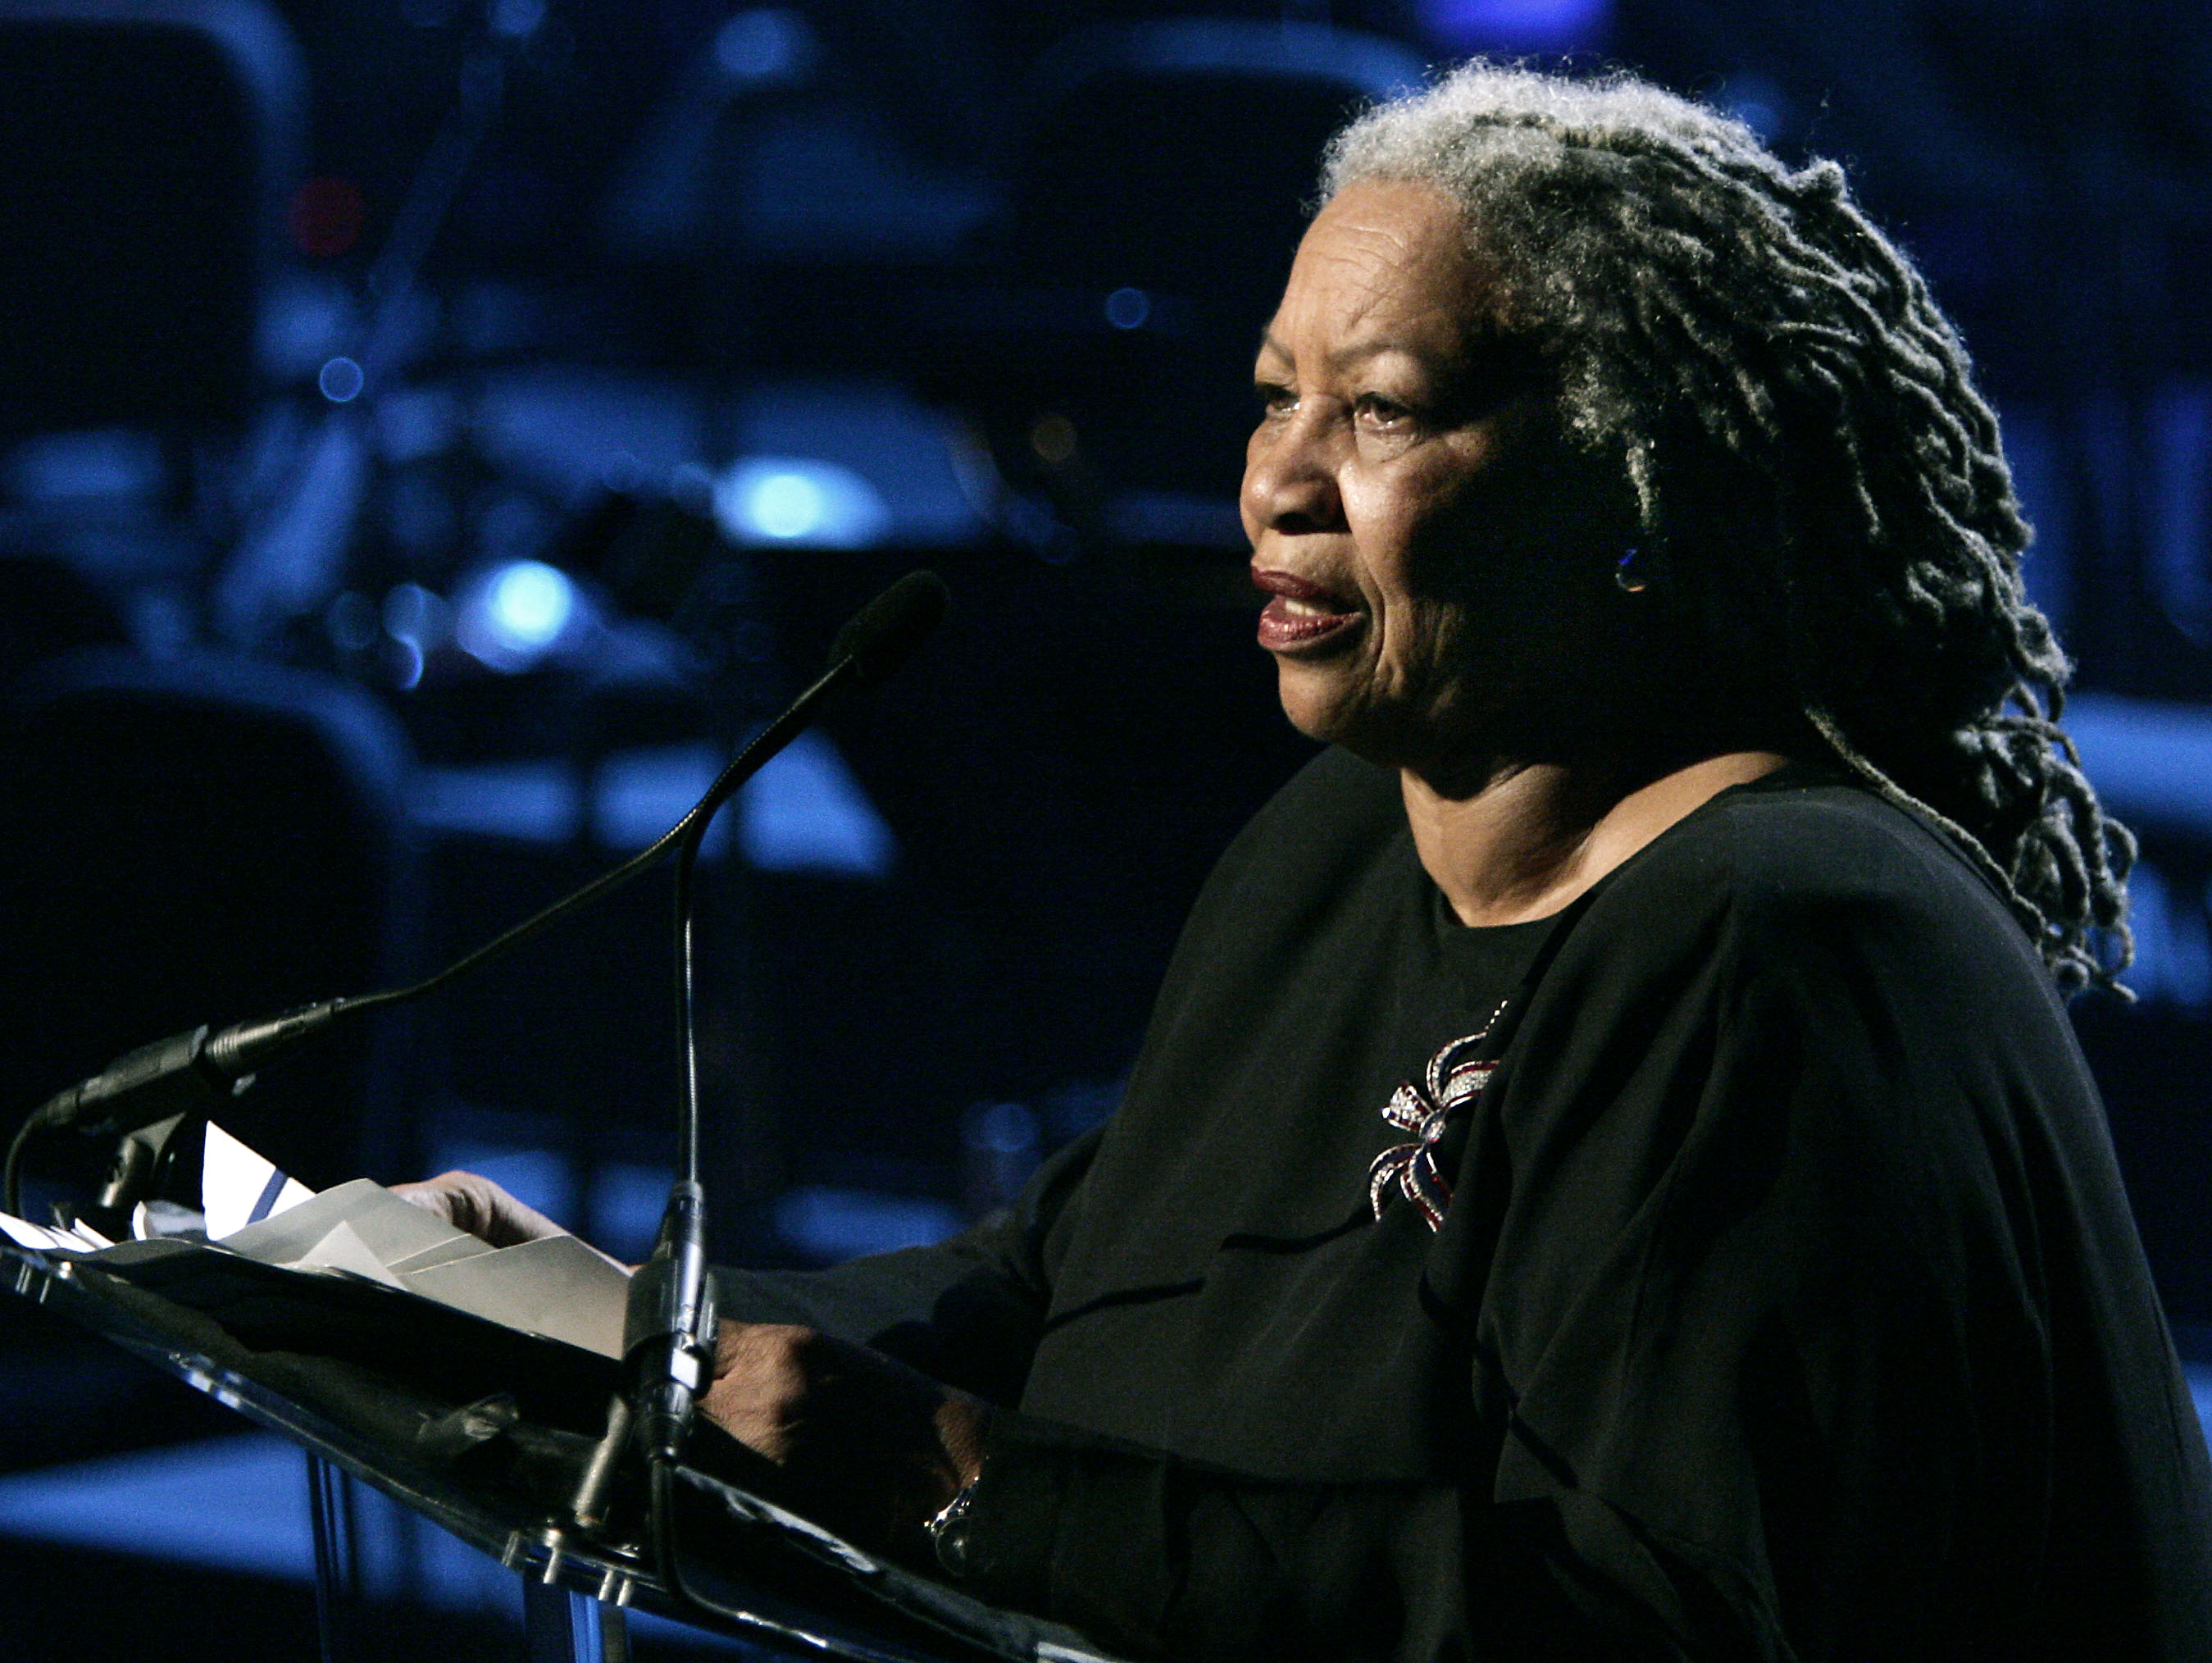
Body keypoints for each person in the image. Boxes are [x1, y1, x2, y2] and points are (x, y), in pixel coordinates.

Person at [403, 64, 2212, 1661]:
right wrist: (611, 1324)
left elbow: (1646, 1623)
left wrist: (959, 1484)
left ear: (1633, 488)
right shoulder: (1343, 839)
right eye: (1275, 397)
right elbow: (1060, 1286)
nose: (1275, 480)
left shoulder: (1788, 949)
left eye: (1385, 410)